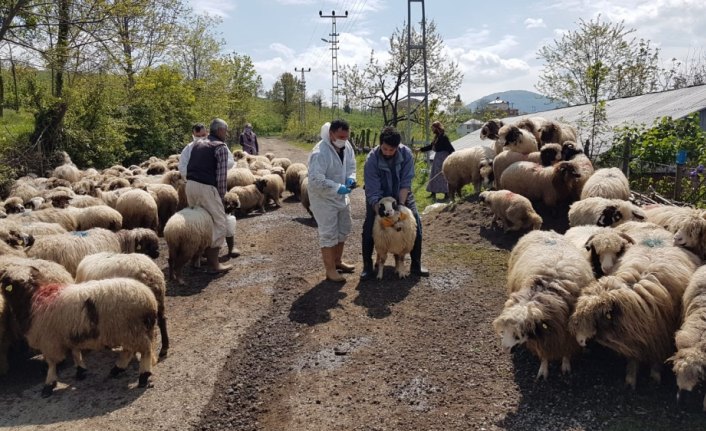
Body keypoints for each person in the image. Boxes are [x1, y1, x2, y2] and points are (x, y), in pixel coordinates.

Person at [360, 126, 429, 280]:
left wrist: (401, 207)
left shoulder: (406, 154)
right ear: (380, 144)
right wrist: (381, 212)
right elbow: (372, 190)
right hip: (379, 198)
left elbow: (406, 182)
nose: (388, 152)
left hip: (401, 195)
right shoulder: (371, 159)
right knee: (370, 225)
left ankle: (416, 264)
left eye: (392, 150)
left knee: (415, 221)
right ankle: (367, 266)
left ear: (398, 147)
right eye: (385, 149)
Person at [307, 119, 357, 282]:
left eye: (346, 137)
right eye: (340, 136)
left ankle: (338, 261)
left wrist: (351, 178)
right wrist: (337, 187)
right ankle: (330, 271)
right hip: (323, 199)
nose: (344, 140)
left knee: (343, 228)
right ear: (331, 134)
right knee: (328, 233)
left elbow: (351, 166)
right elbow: (315, 179)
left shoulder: (347, 146)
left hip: (341, 196)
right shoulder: (320, 153)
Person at [180, 123, 239, 258]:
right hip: (206, 186)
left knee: (223, 216)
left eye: (203, 135)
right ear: (193, 135)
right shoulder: (190, 148)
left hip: (201, 185)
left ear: (207, 132)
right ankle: (208, 254)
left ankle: (230, 246)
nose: (200, 137)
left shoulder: (206, 146)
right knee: (212, 220)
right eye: (197, 135)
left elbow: (229, 162)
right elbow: (182, 168)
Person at [418, 120, 455, 202]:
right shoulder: (437, 137)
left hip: (443, 157)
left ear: (437, 128)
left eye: (433, 128)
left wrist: (451, 159)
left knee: (442, 175)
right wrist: (420, 149)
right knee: (434, 173)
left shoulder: (444, 137)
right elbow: (431, 146)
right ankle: (433, 193)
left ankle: (447, 194)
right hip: (437, 157)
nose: (432, 130)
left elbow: (451, 149)